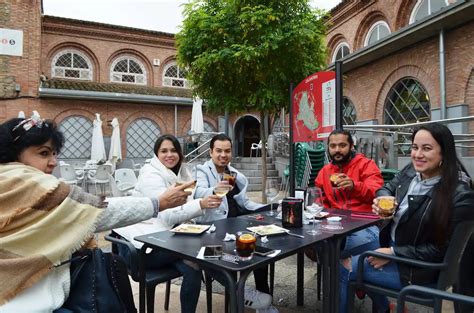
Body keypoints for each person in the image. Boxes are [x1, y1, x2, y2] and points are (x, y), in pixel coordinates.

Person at [0, 117, 192, 312]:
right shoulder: (26, 183)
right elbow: (96, 213)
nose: (53, 162)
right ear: (14, 153)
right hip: (29, 302)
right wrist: (159, 203)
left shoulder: (8, 181)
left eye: (54, 153)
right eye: (43, 153)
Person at [340, 123, 474, 313]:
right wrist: (383, 198)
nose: (418, 154)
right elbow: (387, 187)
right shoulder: (411, 172)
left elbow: (441, 251)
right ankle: (384, 309)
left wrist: (393, 253)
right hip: (396, 247)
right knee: (342, 252)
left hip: (419, 271)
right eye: (414, 147)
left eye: (426, 148)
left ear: (444, 153)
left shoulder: (460, 196)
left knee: (343, 268)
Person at [114, 134, 222, 313]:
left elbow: (187, 207)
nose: (169, 155)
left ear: (179, 153)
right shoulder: (150, 175)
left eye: (173, 150)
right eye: (163, 151)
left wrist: (197, 212)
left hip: (166, 242)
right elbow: (168, 216)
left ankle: (236, 289)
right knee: (203, 252)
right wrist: (201, 204)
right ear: (156, 154)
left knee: (193, 266)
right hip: (140, 248)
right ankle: (240, 291)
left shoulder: (182, 172)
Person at [194, 133, 275, 311]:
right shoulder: (202, 170)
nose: (223, 155)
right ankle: (239, 295)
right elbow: (198, 192)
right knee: (230, 259)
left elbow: (244, 202)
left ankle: (264, 303)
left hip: (237, 225)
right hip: (215, 230)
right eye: (219, 151)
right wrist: (217, 188)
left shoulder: (234, 174)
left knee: (261, 252)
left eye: (227, 151)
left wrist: (266, 206)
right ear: (211, 152)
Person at [314, 129, 383, 257]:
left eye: (342, 145)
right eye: (333, 146)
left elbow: (377, 193)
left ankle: (338, 269)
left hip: (364, 224)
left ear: (351, 146)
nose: (337, 150)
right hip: (336, 225)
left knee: (331, 246)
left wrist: (354, 186)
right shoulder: (324, 172)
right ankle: (338, 268)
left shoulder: (367, 165)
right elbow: (320, 202)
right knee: (313, 244)